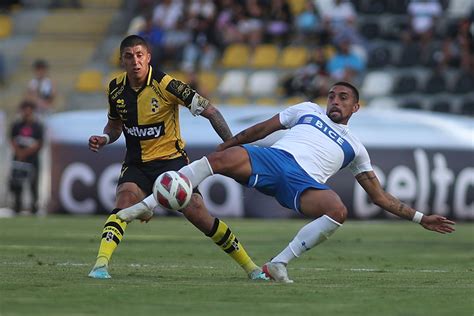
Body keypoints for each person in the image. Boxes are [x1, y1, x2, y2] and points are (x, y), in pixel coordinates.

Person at [118, 81, 456, 283]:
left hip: (302, 182)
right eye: (332, 96)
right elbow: (263, 130)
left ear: (355, 106)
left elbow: (380, 196)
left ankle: (278, 263)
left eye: (342, 98)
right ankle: (144, 206)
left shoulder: (356, 148)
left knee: (337, 210)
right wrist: (228, 144)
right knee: (218, 160)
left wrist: (420, 218)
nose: (334, 101)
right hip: (273, 159)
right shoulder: (307, 109)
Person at [87, 35, 267, 281]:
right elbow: (115, 127)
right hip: (137, 164)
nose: (135, 61)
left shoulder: (167, 85)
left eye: (140, 55)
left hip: (172, 164)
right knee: (124, 200)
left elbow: (211, 111)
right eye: (129, 56)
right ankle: (100, 266)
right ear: (122, 60)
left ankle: (251, 267)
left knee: (199, 215)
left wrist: (232, 144)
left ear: (148, 57)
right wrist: (105, 138)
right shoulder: (115, 88)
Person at [9, 100, 44, 215]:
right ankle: (17, 207)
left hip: (32, 159)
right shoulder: (16, 125)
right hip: (19, 158)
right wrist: (19, 153)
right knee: (17, 183)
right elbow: (12, 139)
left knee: (33, 183)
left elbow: (39, 143)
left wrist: (26, 152)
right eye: (25, 110)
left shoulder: (37, 126)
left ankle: (34, 207)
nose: (27, 113)